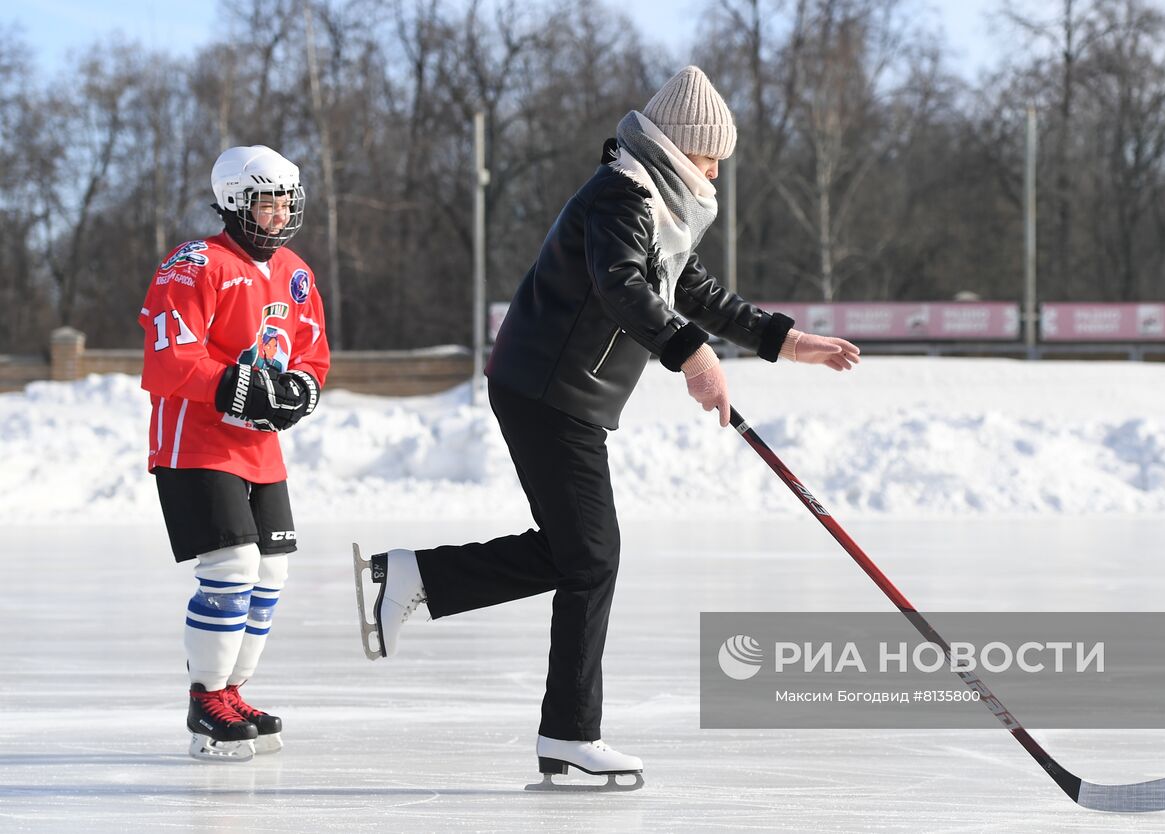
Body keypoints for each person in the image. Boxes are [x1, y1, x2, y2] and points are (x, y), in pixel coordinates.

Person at [353, 66, 858, 786]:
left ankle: (419, 579)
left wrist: (785, 341)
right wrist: (693, 357)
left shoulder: (657, 205)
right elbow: (621, 287)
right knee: (590, 557)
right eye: (709, 156)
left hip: (562, 396)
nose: (715, 170)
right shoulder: (621, 197)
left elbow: (694, 290)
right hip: (546, 392)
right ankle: (566, 731)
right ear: (678, 147)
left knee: (577, 554)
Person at [139, 145, 329, 761]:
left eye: (286, 203)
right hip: (196, 441)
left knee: (270, 572)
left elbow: (309, 351)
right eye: (266, 203)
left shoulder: (296, 270)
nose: (278, 216)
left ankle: (233, 690)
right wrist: (235, 384)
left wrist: (301, 386)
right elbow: (171, 357)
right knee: (231, 568)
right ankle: (206, 698)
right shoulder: (195, 263)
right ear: (232, 203)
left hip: (258, 448)